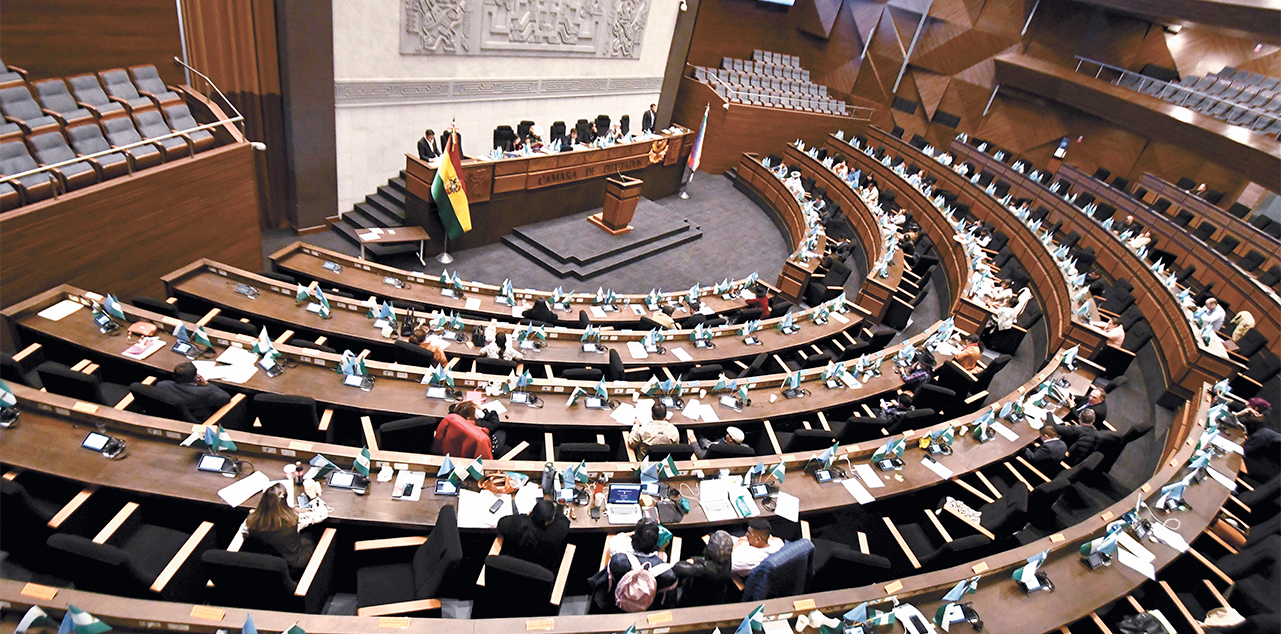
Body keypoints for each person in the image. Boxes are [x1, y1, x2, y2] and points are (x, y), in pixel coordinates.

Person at [592, 518, 678, 612]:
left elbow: (616, 539)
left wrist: (634, 533)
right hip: (646, 603)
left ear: (635, 537)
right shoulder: (662, 565)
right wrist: (661, 549)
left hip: (616, 598)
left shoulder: (619, 552)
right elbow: (662, 561)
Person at [241, 483, 321, 573]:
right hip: (295, 563)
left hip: (265, 561)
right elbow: (321, 514)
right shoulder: (294, 520)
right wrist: (313, 496)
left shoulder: (251, 520)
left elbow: (245, 535)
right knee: (314, 533)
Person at [497, 498, 570, 569]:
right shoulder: (556, 531)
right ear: (547, 522)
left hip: (514, 567)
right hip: (542, 572)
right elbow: (565, 521)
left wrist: (525, 516)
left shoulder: (518, 524)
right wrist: (553, 512)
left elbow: (501, 522)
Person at [673, 529, 734, 606]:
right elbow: (703, 560)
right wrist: (694, 559)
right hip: (716, 594)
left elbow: (678, 568)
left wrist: (691, 562)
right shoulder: (726, 559)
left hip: (699, 599)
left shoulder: (708, 569)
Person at [153, 361, 232, 421]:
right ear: (195, 377)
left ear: (174, 376)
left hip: (172, 418)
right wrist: (207, 385)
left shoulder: (161, 385)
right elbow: (226, 398)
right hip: (199, 420)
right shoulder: (205, 392)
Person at [432, 401, 500, 459]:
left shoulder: (451, 419)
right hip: (476, 453)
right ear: (470, 417)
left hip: (449, 452)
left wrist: (464, 404)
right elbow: (494, 422)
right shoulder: (479, 424)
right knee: (502, 433)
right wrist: (483, 409)